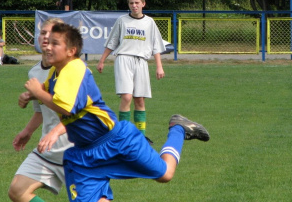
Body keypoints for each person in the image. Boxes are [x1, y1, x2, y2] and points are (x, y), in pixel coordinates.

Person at [19, 23, 209, 202]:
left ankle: (178, 128)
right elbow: (47, 91)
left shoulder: (75, 69)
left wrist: (37, 93)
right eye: (47, 42)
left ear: (71, 51)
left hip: (116, 142)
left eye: (55, 43)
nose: (47, 47)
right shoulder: (56, 72)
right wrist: (31, 96)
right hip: (85, 154)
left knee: (166, 174)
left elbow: (65, 107)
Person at [9, 18, 74, 202]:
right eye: (43, 33)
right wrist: (28, 131)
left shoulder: (75, 70)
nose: (46, 37)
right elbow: (41, 110)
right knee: (17, 191)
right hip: (48, 151)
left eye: (53, 34)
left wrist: (35, 94)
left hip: (76, 151)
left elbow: (78, 114)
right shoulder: (34, 73)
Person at [96, 0, 165, 143]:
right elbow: (112, 42)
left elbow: (156, 46)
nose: (134, 6)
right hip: (123, 59)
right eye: (131, 3)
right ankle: (123, 135)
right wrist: (102, 60)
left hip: (141, 61)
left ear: (143, 4)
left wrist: (159, 67)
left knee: (139, 99)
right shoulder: (122, 20)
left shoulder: (150, 22)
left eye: (137, 3)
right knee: (127, 96)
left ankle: (140, 137)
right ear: (128, 4)